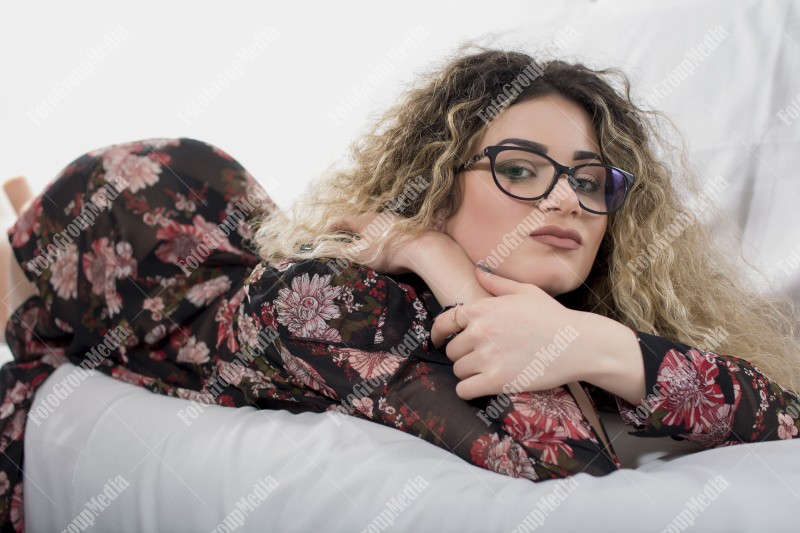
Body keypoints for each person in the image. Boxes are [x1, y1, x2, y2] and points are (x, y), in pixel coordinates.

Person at [2, 46, 800, 531]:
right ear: (437, 185)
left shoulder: (568, 311)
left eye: (591, 180)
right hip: (141, 233)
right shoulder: (343, 300)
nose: (567, 200)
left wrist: (601, 343)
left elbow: (781, 417)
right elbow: (568, 474)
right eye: (521, 169)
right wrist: (441, 263)